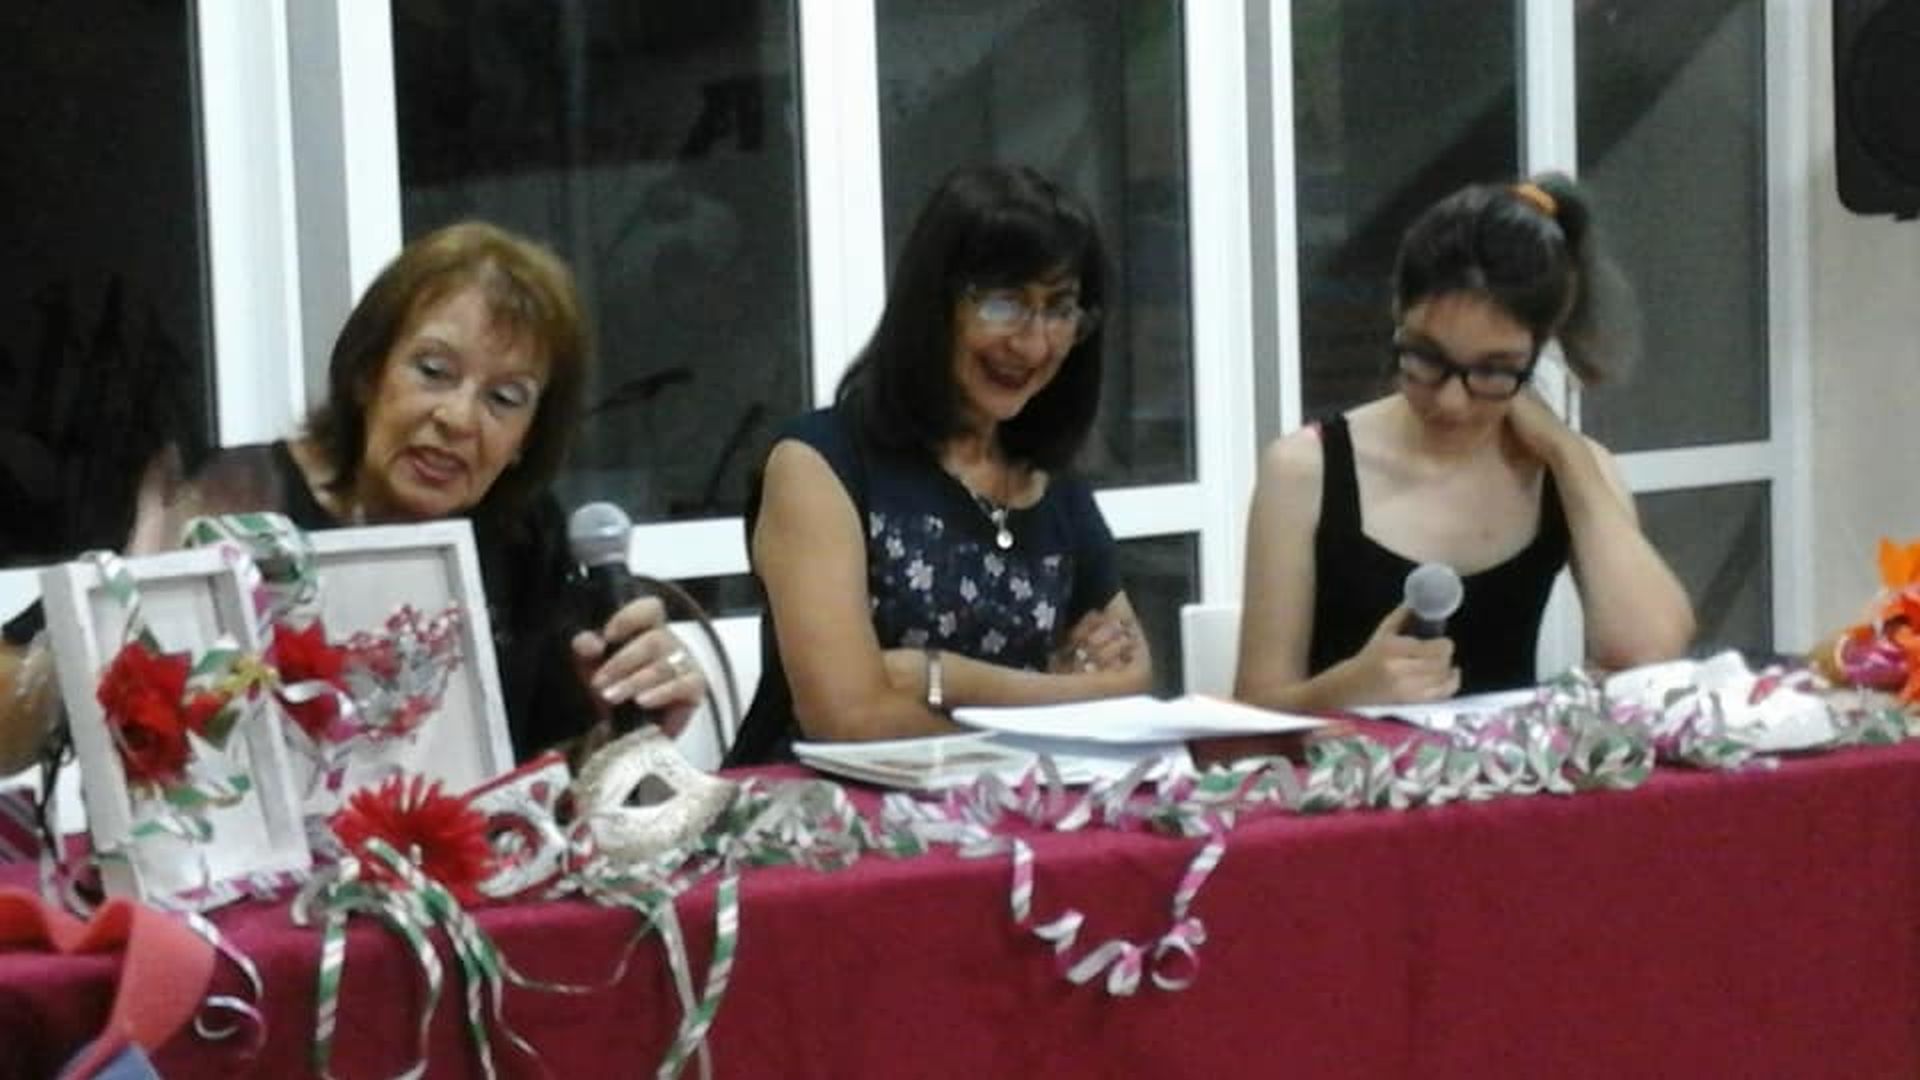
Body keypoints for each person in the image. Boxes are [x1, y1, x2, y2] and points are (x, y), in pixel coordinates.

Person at [0, 221, 705, 773]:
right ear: (369, 373)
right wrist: (92, 643)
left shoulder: (522, 539)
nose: (459, 417)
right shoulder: (226, 501)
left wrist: (633, 730)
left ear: (527, 436)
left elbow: (550, 792)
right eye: (433, 371)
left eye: (505, 398)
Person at [726, 164, 1151, 765]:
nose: (1032, 344)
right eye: (1004, 304)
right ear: (933, 303)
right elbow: (848, 718)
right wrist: (1063, 703)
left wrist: (942, 676)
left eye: (1059, 309)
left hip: (1016, 805)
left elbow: (1130, 681)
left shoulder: (1052, 482)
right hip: (825, 812)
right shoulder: (819, 463)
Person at [1235, 173, 1694, 711]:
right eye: (1426, 358)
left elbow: (1649, 655)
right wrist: (1346, 690)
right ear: (1398, 317)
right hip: (1339, 763)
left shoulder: (1569, 470)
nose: (1452, 401)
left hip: (1509, 765)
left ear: (1537, 353)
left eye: (1493, 371)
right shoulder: (1306, 468)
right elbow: (1245, 719)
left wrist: (1566, 453)